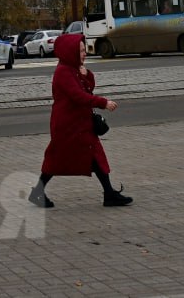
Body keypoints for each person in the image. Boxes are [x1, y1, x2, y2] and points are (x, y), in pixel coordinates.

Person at [29, 33, 132, 208]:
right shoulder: (63, 72)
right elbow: (79, 96)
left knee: (95, 155)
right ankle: (38, 192)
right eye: (81, 51)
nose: (85, 54)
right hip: (68, 125)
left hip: (80, 123)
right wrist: (103, 103)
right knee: (56, 158)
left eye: (84, 50)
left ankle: (109, 193)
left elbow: (87, 88)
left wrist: (87, 74)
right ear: (70, 52)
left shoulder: (73, 68)